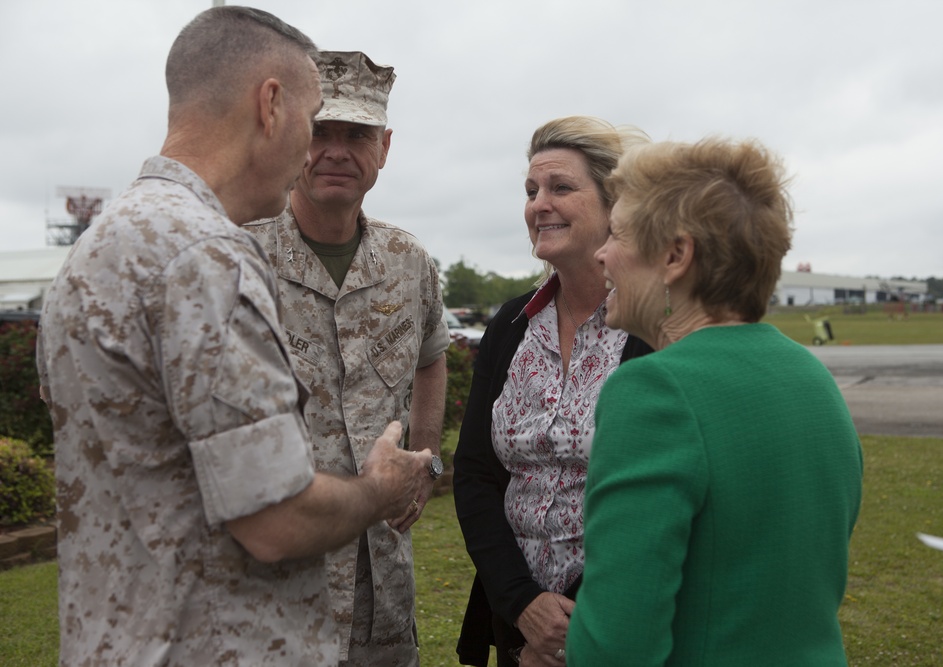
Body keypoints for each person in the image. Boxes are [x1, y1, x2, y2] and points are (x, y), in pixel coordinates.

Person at [35, 8, 432, 666]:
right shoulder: (204, 253)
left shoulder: (107, 241)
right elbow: (275, 521)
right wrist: (383, 489)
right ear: (270, 105)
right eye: (311, 124)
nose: (312, 152)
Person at [566, 138, 864, 666]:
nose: (601, 252)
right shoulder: (812, 378)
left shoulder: (654, 390)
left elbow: (617, 643)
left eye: (617, 233)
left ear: (676, 256)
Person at [243, 50, 449, 665]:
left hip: (382, 575)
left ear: (383, 148)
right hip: (277, 583)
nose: (337, 150)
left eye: (356, 134)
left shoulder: (408, 262)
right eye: (320, 131)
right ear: (290, 139)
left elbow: (431, 358)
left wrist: (426, 459)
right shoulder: (238, 255)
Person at [453, 116, 652, 667]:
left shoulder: (654, 329)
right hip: (515, 622)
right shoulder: (512, 323)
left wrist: (573, 623)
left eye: (561, 187)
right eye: (531, 190)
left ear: (617, 203)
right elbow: (473, 473)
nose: (539, 203)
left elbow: (656, 504)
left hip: (619, 622)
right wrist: (523, 605)